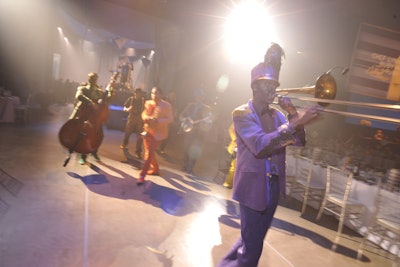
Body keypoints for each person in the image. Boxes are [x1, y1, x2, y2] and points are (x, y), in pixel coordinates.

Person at [218, 43, 320, 267]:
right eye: (268, 85)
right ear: (255, 87)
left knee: (250, 241)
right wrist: (298, 121)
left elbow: (300, 142)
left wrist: (294, 114)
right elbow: (260, 145)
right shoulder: (242, 113)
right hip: (251, 186)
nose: (273, 89)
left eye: (275, 84)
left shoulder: (279, 116)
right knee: (252, 252)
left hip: (273, 187)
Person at [70, 72, 115, 165]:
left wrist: (111, 88)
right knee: (85, 136)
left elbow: (108, 99)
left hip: (95, 118)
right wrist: (91, 103)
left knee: (99, 136)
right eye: (91, 78)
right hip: (85, 116)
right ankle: (83, 156)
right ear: (88, 79)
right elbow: (79, 96)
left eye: (94, 78)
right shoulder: (83, 88)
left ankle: (94, 152)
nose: (93, 80)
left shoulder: (99, 91)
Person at [137, 86, 173, 185]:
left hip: (158, 133)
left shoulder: (167, 105)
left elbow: (170, 119)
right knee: (149, 152)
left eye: (157, 93)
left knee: (149, 154)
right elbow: (144, 113)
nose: (154, 95)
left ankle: (142, 175)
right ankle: (155, 169)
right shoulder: (148, 103)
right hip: (147, 130)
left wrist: (158, 121)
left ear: (161, 94)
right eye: (153, 93)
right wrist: (146, 118)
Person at [179, 89, 213, 174]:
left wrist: (206, 122)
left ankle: (190, 167)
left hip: (199, 132)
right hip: (189, 130)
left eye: (201, 97)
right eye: (198, 96)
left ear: (203, 98)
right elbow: (182, 115)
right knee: (186, 148)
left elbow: (209, 120)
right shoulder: (190, 105)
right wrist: (185, 120)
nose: (199, 98)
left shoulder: (207, 108)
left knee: (195, 151)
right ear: (195, 97)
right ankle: (185, 165)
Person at [120, 88, 145, 158]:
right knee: (127, 132)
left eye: (140, 93)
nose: (138, 95)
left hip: (139, 120)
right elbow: (124, 107)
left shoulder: (143, 101)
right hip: (131, 118)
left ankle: (138, 151)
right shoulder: (131, 99)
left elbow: (146, 109)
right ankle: (124, 144)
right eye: (137, 93)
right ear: (135, 93)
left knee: (139, 136)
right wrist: (127, 109)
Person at [223, 123, 237, 189]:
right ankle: (228, 183)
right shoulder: (240, 116)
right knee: (234, 164)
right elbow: (231, 129)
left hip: (246, 147)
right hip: (236, 146)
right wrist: (235, 139)